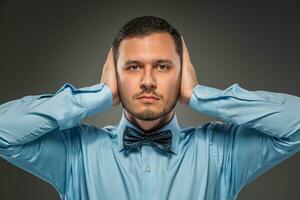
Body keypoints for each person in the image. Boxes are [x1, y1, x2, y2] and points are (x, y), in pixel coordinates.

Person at [0, 15, 300, 200]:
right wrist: (97, 95)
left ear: (182, 73)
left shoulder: (221, 152)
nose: (147, 81)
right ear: (114, 74)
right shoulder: (75, 153)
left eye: (162, 66)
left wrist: (199, 95)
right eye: (132, 67)